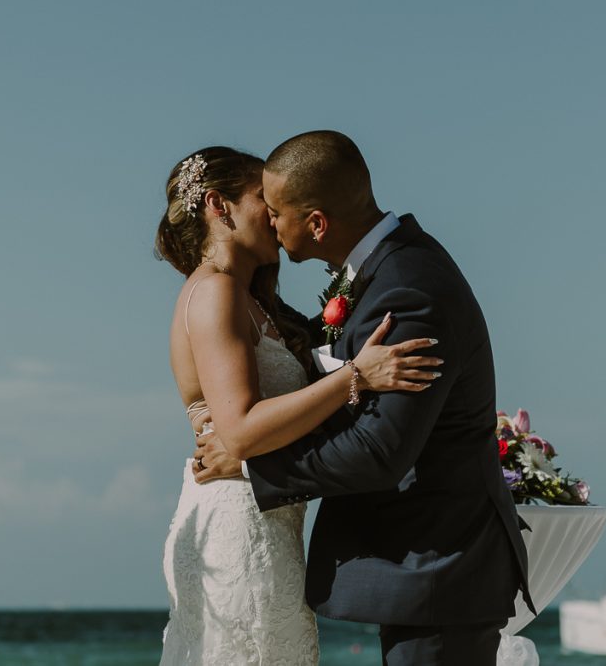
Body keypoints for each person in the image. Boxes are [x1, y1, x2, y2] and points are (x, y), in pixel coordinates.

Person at [195, 131, 532, 665]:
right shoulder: (381, 273)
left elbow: (381, 451)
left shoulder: (408, 289)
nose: (272, 225)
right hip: (424, 570)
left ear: (317, 223)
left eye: (277, 211)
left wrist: (250, 464)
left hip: (438, 568)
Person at [154, 146, 442, 665]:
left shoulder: (249, 297)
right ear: (218, 206)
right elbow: (240, 431)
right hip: (239, 524)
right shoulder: (216, 291)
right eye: (261, 198)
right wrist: (358, 375)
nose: (274, 212)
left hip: (268, 520)